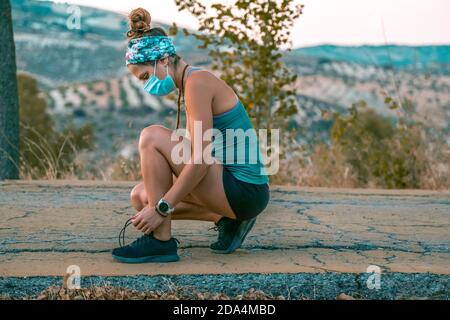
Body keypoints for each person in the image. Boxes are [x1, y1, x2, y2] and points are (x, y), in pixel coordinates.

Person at [112, 7, 270, 264]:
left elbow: (201, 159)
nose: (145, 85)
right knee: (141, 197)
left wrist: (161, 209)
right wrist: (155, 204)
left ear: (162, 60)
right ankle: (226, 220)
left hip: (244, 189)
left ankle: (160, 242)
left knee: (151, 136)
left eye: (144, 76)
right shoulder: (190, 83)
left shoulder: (198, 83)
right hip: (234, 190)